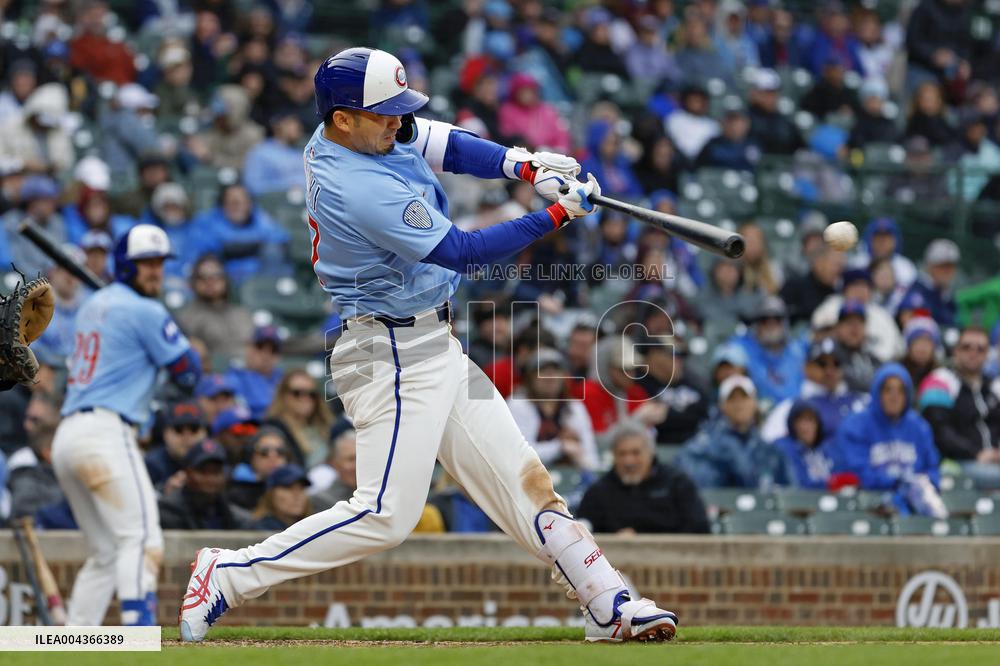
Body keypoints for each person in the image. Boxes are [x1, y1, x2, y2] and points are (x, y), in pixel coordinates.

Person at [180, 47, 677, 644]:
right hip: (385, 350)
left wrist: (519, 165)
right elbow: (463, 253)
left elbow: (434, 138)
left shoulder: (361, 133)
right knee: (385, 514)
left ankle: (608, 602)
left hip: (431, 340)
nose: (398, 121)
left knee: (525, 481)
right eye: (383, 112)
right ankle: (230, 574)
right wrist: (555, 216)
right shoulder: (354, 183)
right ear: (343, 117)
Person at [51, 224, 201, 626]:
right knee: (141, 539)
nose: (155, 271)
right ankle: (138, 631)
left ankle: (74, 644)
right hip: (106, 433)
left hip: (68, 437)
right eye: (145, 264)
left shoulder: (93, 304)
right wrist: (174, 347)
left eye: (158, 263)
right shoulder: (145, 310)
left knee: (105, 553)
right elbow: (190, 373)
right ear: (125, 266)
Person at [833, 363, 944, 517]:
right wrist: (897, 481)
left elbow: (933, 468)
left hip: (914, 502)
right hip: (869, 502)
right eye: (888, 390)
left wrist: (921, 482)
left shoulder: (919, 426)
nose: (894, 397)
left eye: (900, 391)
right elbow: (855, 472)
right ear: (877, 393)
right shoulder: (856, 425)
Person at [576, 422, 710, 534]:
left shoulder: (678, 484)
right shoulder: (599, 491)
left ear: (650, 453)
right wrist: (613, 540)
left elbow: (699, 528)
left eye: (636, 453)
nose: (629, 461)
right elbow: (583, 532)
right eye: (622, 454)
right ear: (614, 456)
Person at [918, 326, 1000, 487]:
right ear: (956, 351)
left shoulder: (995, 385)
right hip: (958, 463)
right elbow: (940, 432)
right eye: (966, 347)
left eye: (980, 349)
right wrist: (977, 453)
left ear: (987, 355)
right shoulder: (940, 380)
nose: (973, 353)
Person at [676, 375, 786, 489]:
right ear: (722, 405)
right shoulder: (705, 445)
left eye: (744, 397)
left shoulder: (767, 450)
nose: (739, 404)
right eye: (732, 399)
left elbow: (788, 490)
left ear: (754, 403)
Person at [507, 348, 600, 472]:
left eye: (555, 371)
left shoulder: (575, 408)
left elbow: (590, 454)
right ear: (530, 377)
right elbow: (519, 455)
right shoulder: (517, 405)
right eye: (543, 371)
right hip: (528, 478)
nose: (550, 377)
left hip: (572, 479)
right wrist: (560, 447)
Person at [762, 338, 866, 443]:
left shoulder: (862, 400)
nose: (830, 370)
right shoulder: (790, 408)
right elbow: (770, 445)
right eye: (822, 364)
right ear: (806, 367)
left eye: (836, 363)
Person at [728, 296, 807, 406]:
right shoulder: (742, 349)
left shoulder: (798, 351)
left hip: (796, 414)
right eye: (765, 320)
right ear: (756, 324)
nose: (771, 325)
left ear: (785, 323)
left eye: (777, 319)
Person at [158, 439, 252, 530]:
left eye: (216, 472)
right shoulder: (168, 511)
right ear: (188, 473)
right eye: (203, 472)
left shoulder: (234, 516)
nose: (210, 479)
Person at [633, 338, 709, 446]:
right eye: (674, 354)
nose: (679, 361)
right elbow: (655, 422)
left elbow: (704, 410)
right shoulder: (639, 385)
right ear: (655, 355)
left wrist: (670, 414)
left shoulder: (689, 381)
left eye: (681, 356)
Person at [176, 255, 255, 358]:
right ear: (194, 282)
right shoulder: (186, 319)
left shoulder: (242, 314)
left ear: (225, 279)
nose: (210, 281)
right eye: (203, 277)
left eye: (216, 276)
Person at [7, 392, 65, 520]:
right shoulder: (23, 460)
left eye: (35, 419)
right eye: (26, 418)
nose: (26, 425)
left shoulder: (73, 456)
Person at [263, 369, 333, 468]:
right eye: (297, 393)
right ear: (284, 395)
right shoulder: (274, 430)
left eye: (312, 394)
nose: (306, 398)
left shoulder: (326, 427)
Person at [773, 400, 838, 490]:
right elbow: (798, 486)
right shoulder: (784, 448)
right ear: (792, 424)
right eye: (801, 421)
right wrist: (831, 484)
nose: (806, 427)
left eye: (810, 420)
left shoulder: (825, 450)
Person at [144, 401, 208, 489]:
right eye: (179, 430)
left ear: (205, 433)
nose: (187, 437)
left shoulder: (214, 462)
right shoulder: (151, 466)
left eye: (194, 429)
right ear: (165, 433)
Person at [224, 326, 284, 419]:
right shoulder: (233, 380)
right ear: (248, 348)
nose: (266, 355)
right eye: (260, 347)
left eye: (273, 350)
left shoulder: (284, 380)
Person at [243, 112, 307, 196]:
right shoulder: (260, 152)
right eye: (290, 123)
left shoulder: (303, 151)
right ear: (277, 126)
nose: (297, 127)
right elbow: (252, 186)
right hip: (274, 205)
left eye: (298, 123)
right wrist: (287, 187)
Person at [229, 426, 292, 510]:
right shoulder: (236, 495)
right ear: (251, 457)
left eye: (280, 451)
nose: (273, 457)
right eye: (264, 451)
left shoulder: (298, 488)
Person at [904, 239, 961, 328]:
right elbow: (911, 327)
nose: (948, 271)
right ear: (930, 266)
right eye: (943, 266)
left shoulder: (947, 297)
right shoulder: (918, 293)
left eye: (951, 266)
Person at [835, 300, 880, 394]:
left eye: (859, 323)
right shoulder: (827, 356)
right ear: (838, 327)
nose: (854, 328)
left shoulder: (874, 359)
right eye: (849, 322)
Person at [251, 464, 314, 531]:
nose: (297, 495)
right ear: (271, 495)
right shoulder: (259, 528)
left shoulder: (312, 527)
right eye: (288, 488)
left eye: (301, 489)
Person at [309, 427, 358, 512]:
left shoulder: (382, 486)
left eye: (360, 458)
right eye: (350, 459)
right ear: (335, 464)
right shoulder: (324, 500)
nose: (357, 465)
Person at [900, 316, 941, 389]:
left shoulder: (941, 375)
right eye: (917, 342)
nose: (922, 348)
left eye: (927, 342)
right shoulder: (897, 374)